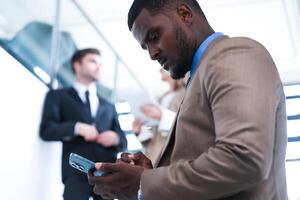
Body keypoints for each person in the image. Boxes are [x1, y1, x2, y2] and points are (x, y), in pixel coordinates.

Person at [88, 1, 288, 199]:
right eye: (145, 47)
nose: (152, 54)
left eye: (154, 36)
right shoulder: (200, 74)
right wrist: (151, 173)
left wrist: (144, 184)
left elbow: (244, 159)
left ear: (185, 14)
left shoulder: (234, 54)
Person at [39, 48, 127, 200]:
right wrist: (76, 128)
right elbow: (46, 130)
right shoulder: (58, 96)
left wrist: (116, 137)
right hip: (75, 171)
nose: (99, 67)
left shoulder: (109, 106)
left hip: (107, 173)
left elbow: (123, 141)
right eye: (93, 61)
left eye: (100, 63)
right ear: (77, 65)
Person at [133, 68, 185, 162]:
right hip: (155, 155)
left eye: (164, 68)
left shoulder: (185, 93)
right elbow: (156, 135)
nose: (160, 69)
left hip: (173, 157)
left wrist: (162, 116)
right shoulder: (162, 97)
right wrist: (139, 132)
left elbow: (186, 123)